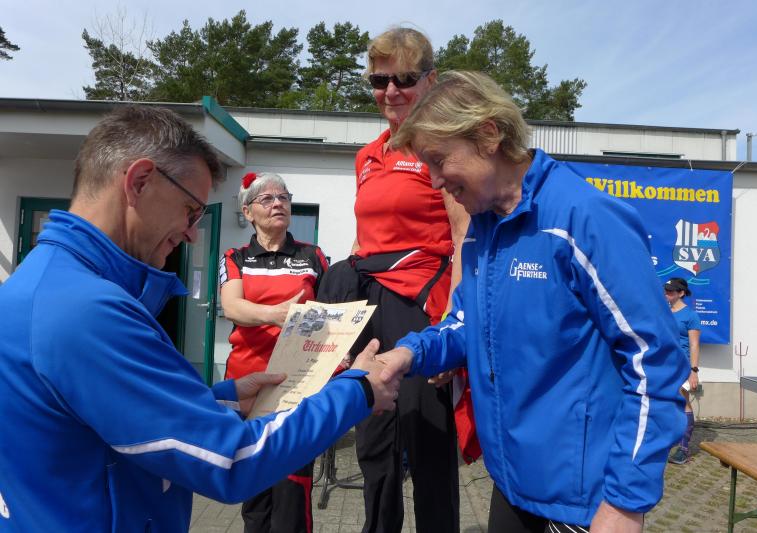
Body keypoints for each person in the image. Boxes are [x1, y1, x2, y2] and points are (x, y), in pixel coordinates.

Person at [0, 105, 400, 532]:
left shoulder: (42, 283)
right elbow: (231, 460)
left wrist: (225, 399)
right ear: (139, 182)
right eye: (191, 210)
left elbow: (111, 414)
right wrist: (357, 391)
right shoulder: (87, 311)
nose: (192, 232)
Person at [378, 71, 688, 533]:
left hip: (584, 501)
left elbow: (655, 362)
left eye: (440, 161)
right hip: (512, 480)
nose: (436, 181)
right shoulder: (482, 230)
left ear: (488, 135)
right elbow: (465, 321)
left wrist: (626, 502)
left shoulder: (583, 218)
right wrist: (408, 354)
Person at [316, 27, 469, 533]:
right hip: (370, 305)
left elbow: (463, 234)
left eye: (403, 78)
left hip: (422, 304)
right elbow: (366, 239)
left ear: (431, 81)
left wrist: (454, 323)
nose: (391, 91)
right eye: (379, 81)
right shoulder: (367, 155)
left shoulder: (442, 145)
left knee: (428, 447)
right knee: (375, 441)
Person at [220, 171, 330, 532]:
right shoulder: (235, 257)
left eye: (283, 197)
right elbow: (233, 307)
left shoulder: (313, 255)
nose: (278, 203)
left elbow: (330, 311)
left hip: (297, 387)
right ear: (248, 212)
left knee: (291, 493)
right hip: (247, 387)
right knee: (254, 496)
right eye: (266, 199)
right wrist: (277, 314)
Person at [663, 277, 702, 465]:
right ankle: (666, 442)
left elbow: (694, 345)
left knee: (682, 402)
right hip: (664, 365)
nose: (666, 294)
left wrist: (693, 371)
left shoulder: (690, 316)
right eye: (665, 290)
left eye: (670, 291)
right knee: (665, 403)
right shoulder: (663, 312)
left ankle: (684, 449)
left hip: (682, 365)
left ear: (681, 293)